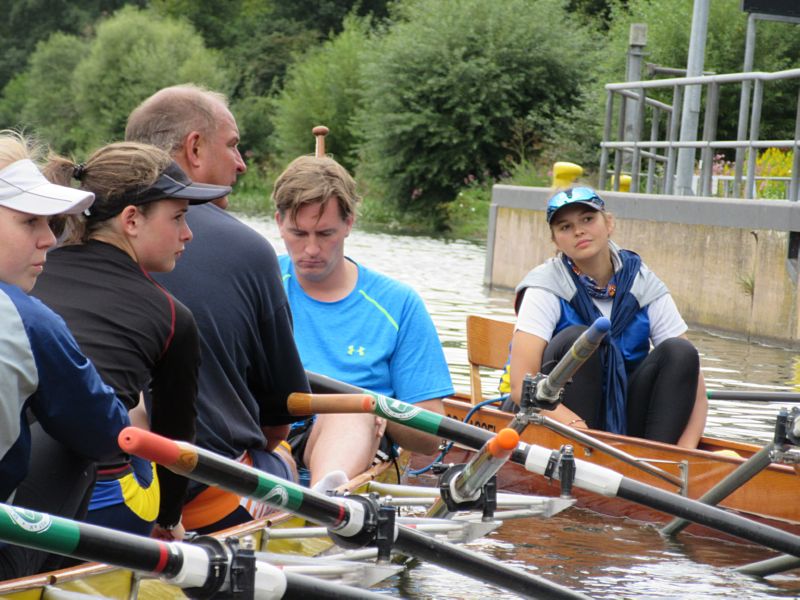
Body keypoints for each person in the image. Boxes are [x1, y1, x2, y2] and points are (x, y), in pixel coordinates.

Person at [125, 85, 309, 533]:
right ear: (194, 149)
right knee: (283, 452)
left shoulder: (69, 238)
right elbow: (277, 418)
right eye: (232, 144)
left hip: (102, 491)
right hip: (205, 499)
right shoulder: (247, 248)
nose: (241, 162)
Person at [32, 141, 230, 540]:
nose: (188, 234)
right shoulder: (172, 316)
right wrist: (170, 521)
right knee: (139, 413)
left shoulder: (30, 271)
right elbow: (176, 444)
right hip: (104, 506)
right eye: (177, 218)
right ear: (132, 219)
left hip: (18, 482)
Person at [273, 155, 454, 488]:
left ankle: (322, 503)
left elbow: (430, 438)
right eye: (298, 233)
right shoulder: (257, 279)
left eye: (325, 233)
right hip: (270, 433)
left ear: (349, 224)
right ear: (279, 223)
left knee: (352, 411)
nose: (311, 249)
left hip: (350, 436)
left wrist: (378, 410)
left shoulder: (398, 303)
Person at [0, 130, 130, 578]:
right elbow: (106, 436)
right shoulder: (28, 322)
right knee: (73, 439)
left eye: (49, 223)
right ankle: (40, 583)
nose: (49, 240)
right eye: (29, 222)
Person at [506, 186, 707, 448]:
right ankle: (587, 452)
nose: (579, 231)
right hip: (555, 419)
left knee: (680, 352)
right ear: (556, 241)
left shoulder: (643, 284)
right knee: (582, 339)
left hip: (625, 419)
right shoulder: (545, 287)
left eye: (588, 219)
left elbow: (696, 392)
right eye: (565, 227)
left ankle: (659, 460)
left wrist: (686, 454)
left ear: (609, 223)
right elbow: (522, 388)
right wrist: (584, 436)